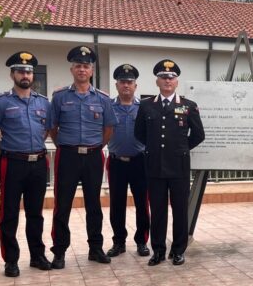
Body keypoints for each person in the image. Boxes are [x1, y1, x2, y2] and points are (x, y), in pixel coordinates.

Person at [48, 45, 117, 269]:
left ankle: (95, 248)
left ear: (91, 70)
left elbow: (108, 129)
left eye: (85, 66)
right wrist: (64, 146)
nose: (81, 69)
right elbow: (52, 128)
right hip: (67, 156)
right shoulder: (59, 97)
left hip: (93, 156)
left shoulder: (104, 99)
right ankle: (59, 251)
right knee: (63, 204)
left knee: (94, 205)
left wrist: (97, 146)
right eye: (78, 66)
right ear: (72, 70)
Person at [0, 51, 53, 277]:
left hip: (37, 163)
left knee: (36, 213)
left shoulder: (44, 103)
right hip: (12, 163)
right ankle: (11, 260)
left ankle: (37, 256)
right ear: (12, 74)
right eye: (20, 71)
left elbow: (45, 130)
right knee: (9, 213)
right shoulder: (0, 102)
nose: (25, 74)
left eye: (28, 71)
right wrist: (7, 152)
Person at [135, 59, 205, 266]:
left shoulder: (188, 106)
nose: (167, 80)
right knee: (157, 211)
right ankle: (158, 250)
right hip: (154, 167)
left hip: (179, 167)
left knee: (180, 210)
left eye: (171, 77)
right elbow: (139, 133)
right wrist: (154, 148)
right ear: (157, 81)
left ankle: (178, 250)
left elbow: (199, 135)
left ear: (177, 82)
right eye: (163, 77)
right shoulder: (147, 105)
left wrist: (181, 149)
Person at [105, 64, 151, 258]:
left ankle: (142, 241)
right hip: (116, 162)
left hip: (140, 162)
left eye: (130, 82)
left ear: (135, 86)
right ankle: (119, 242)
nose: (126, 85)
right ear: (116, 85)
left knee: (142, 203)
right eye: (122, 82)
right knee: (117, 204)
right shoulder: (108, 107)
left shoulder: (144, 108)